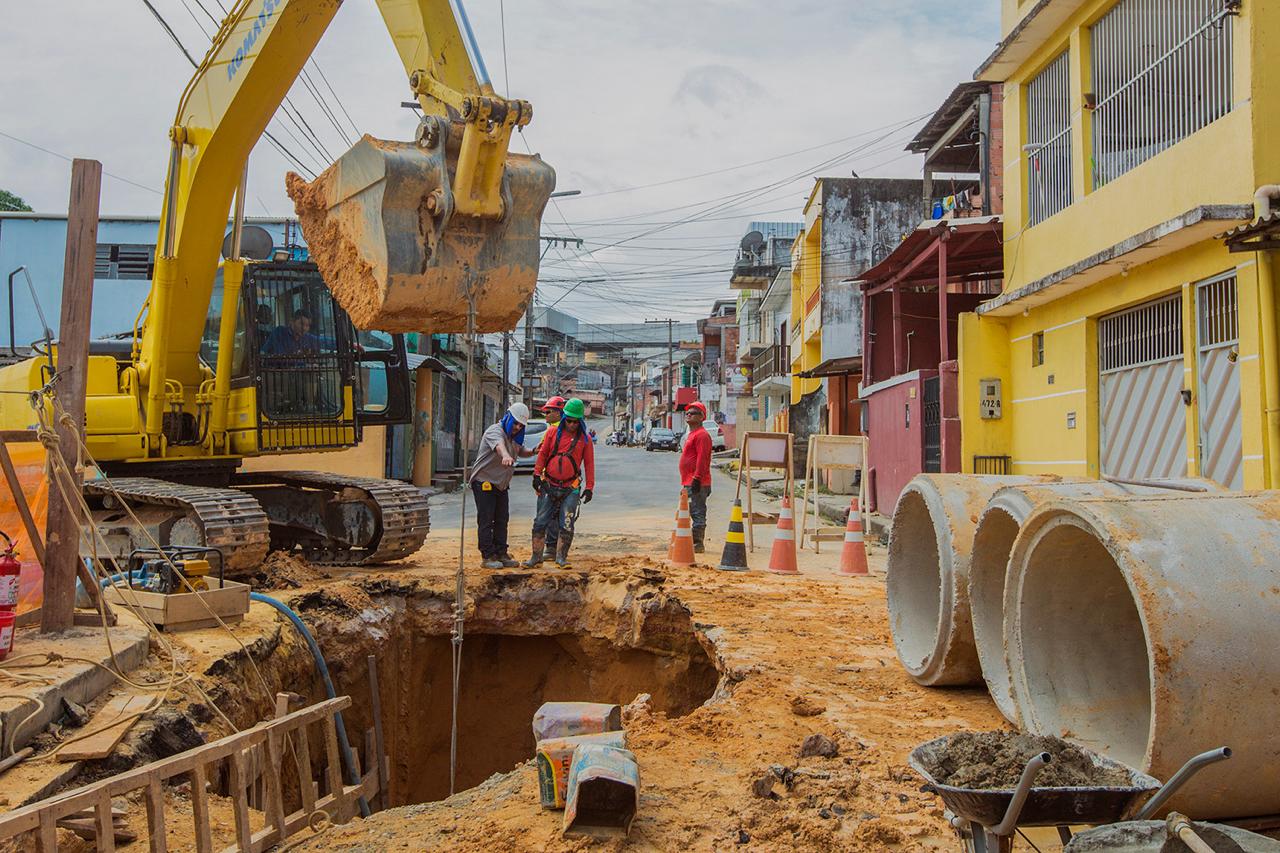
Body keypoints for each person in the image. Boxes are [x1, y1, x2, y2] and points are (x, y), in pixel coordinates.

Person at [527, 398, 595, 568]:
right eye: (569, 420)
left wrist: (589, 488)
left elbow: (589, 464)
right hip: (549, 484)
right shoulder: (552, 433)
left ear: (580, 421)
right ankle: (536, 556)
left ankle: (561, 557)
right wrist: (536, 475)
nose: (571, 425)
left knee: (567, 523)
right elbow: (542, 455)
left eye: (575, 421)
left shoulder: (585, 440)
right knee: (540, 522)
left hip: (570, 487)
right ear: (565, 418)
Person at [470, 403, 536, 569]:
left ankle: (501, 552)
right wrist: (505, 456)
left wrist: (535, 451)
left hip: (501, 484)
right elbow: (499, 446)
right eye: (515, 423)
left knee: (502, 519)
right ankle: (487, 556)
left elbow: (521, 451)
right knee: (486, 520)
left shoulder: (515, 437)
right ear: (508, 418)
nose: (517, 427)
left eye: (521, 425)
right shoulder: (495, 431)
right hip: (484, 482)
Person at [533, 396, 566, 563]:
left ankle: (550, 548)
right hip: (551, 477)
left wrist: (538, 475)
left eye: (549, 411)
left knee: (547, 514)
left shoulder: (556, 430)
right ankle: (548, 548)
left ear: (559, 413)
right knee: (552, 514)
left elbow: (545, 454)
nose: (545, 414)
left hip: (551, 479)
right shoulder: (554, 429)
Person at [679, 401, 713, 553]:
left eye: (693, 413)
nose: (689, 415)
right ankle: (692, 541)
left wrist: (697, 479)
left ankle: (698, 543)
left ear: (701, 417)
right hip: (689, 481)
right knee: (691, 511)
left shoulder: (702, 435)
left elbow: (702, 459)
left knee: (697, 512)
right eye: (687, 413)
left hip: (697, 481)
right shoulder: (692, 434)